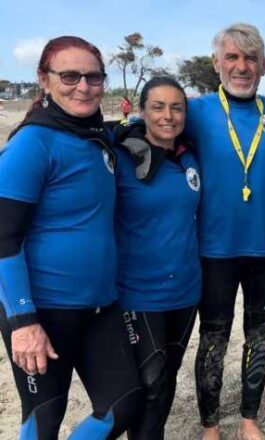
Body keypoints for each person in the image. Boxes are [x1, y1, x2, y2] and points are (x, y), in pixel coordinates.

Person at [0, 36, 142, 439]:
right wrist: (23, 321)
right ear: (44, 80)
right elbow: (3, 238)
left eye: (93, 77)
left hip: (101, 305)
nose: (83, 86)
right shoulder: (32, 143)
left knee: (124, 403)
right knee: (45, 415)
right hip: (43, 309)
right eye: (70, 76)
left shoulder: (94, 136)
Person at [185, 23, 265, 440]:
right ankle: (210, 424)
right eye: (232, 57)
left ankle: (249, 419)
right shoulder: (194, 112)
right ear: (216, 63)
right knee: (212, 341)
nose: (241, 67)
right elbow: (149, 126)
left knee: (259, 339)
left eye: (250, 59)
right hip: (213, 252)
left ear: (264, 65)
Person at [113, 77, 201, 439]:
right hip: (138, 292)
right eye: (158, 107)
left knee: (166, 380)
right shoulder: (119, 157)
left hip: (186, 289)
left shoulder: (189, 156)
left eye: (177, 107)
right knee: (149, 381)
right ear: (141, 110)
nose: (169, 116)